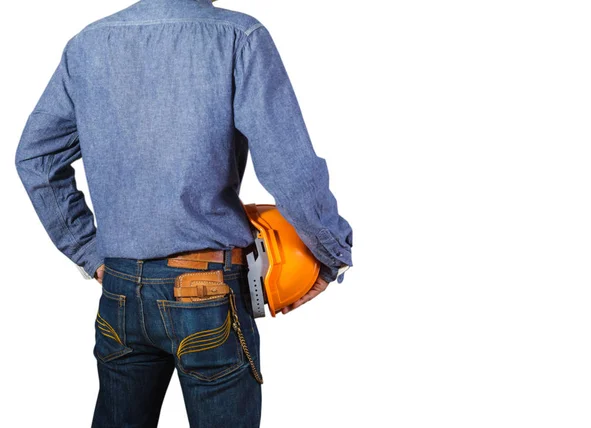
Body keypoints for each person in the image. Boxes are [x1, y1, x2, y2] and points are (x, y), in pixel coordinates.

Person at [14, 0, 353, 426]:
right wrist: (331, 249)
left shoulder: (87, 44)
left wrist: (90, 252)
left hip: (119, 291)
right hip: (207, 291)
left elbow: (36, 158)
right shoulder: (238, 36)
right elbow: (290, 167)